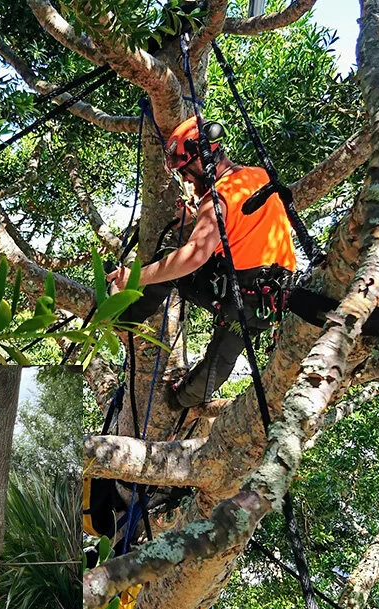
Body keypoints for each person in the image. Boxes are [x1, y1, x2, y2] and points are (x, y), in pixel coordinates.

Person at [107, 115, 297, 410]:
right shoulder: (258, 175)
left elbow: (194, 255)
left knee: (168, 266)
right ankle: (177, 393)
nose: (184, 179)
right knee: (221, 358)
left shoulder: (217, 198)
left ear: (201, 159)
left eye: (184, 171)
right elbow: (246, 225)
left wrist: (135, 277)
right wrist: (199, 215)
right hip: (273, 292)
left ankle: (132, 331)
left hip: (242, 295)